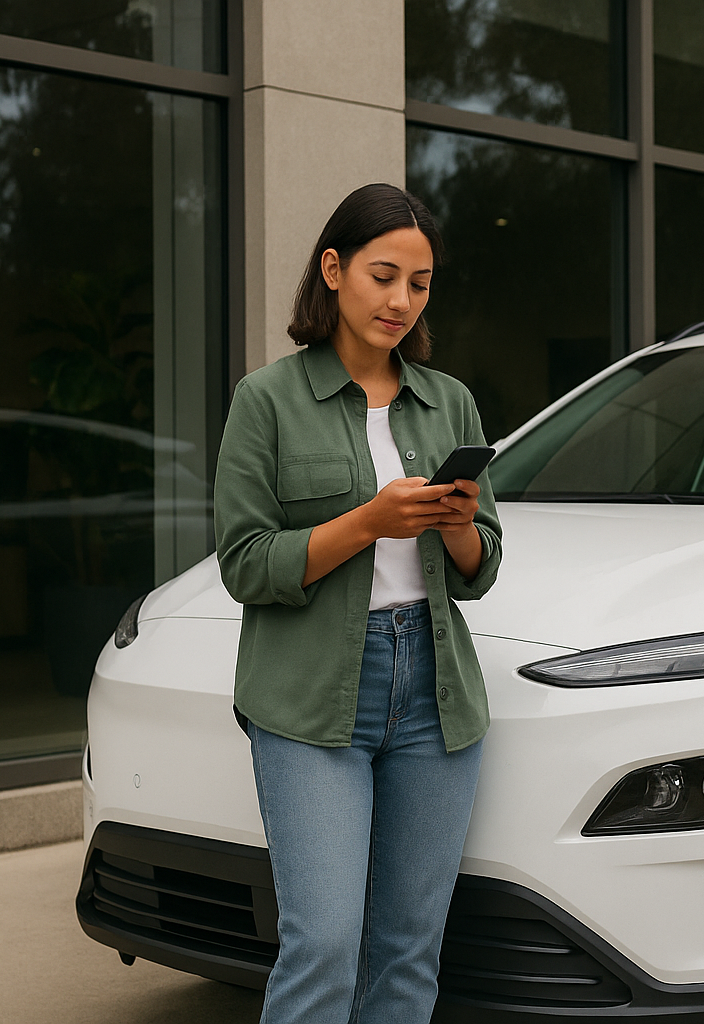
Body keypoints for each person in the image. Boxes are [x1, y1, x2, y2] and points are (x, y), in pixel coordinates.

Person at [213, 182, 501, 1023]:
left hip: (434, 696)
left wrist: (452, 527)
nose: (401, 301)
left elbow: (481, 567)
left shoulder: (449, 400)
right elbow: (245, 563)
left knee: (411, 951)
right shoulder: (265, 399)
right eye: (383, 276)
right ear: (333, 271)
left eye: (419, 284)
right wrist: (368, 523)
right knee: (324, 944)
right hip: (310, 698)